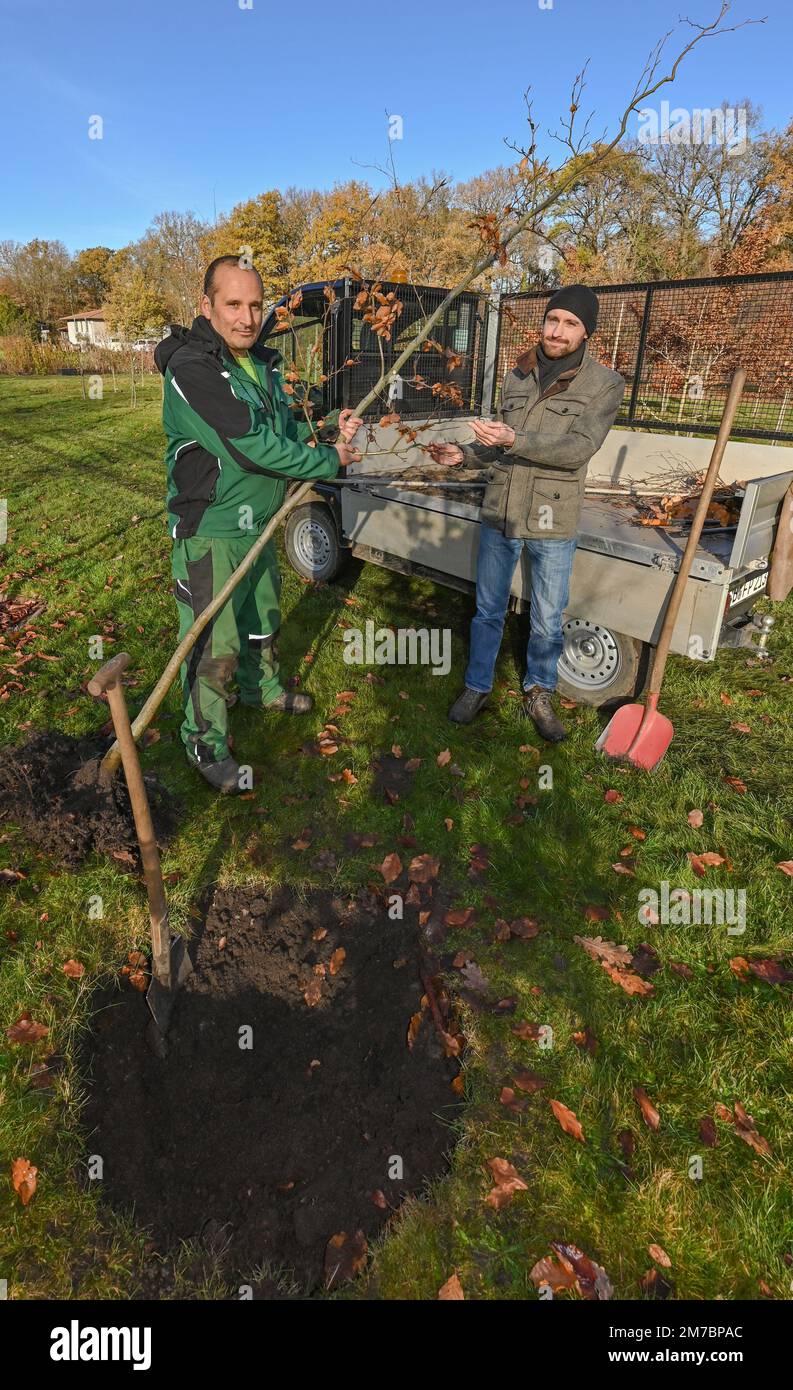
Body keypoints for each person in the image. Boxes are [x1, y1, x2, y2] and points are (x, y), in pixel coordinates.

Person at [154, 256, 362, 792]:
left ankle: (262, 689)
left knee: (261, 613)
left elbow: (283, 423)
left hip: (261, 521)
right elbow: (248, 446)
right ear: (206, 306)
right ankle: (205, 742)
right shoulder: (190, 369)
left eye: (254, 305)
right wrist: (329, 462)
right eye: (233, 305)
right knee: (212, 642)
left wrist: (327, 424)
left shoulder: (263, 363)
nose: (246, 318)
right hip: (214, 530)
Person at [429, 284, 625, 742]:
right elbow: (498, 445)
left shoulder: (604, 384)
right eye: (552, 319)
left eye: (570, 323)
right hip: (501, 510)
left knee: (548, 616)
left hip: (552, 518)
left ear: (586, 332)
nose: (557, 331)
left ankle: (539, 690)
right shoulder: (519, 374)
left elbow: (577, 450)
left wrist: (513, 441)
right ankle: (477, 686)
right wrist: (462, 456)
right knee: (488, 609)